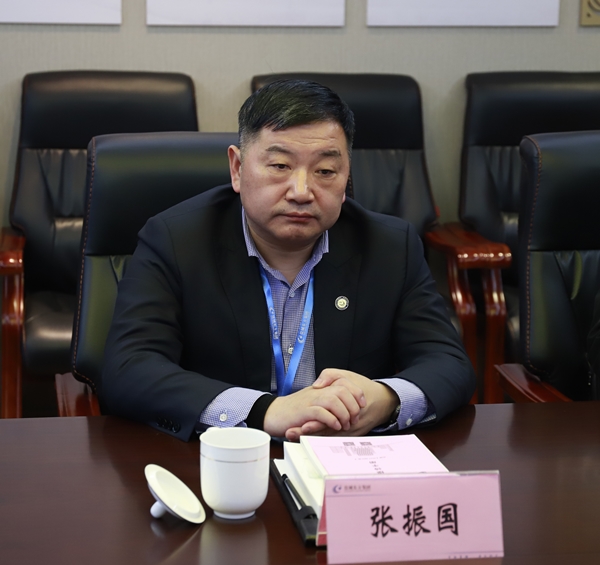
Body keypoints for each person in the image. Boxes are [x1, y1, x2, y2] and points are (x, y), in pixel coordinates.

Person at [101, 79, 475, 442]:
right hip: (224, 457)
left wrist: (387, 400)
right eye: (280, 166)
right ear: (237, 168)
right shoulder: (175, 240)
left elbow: (448, 363)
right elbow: (128, 368)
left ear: (346, 178)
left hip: (343, 457)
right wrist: (264, 411)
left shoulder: (390, 246)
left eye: (325, 171)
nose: (301, 191)